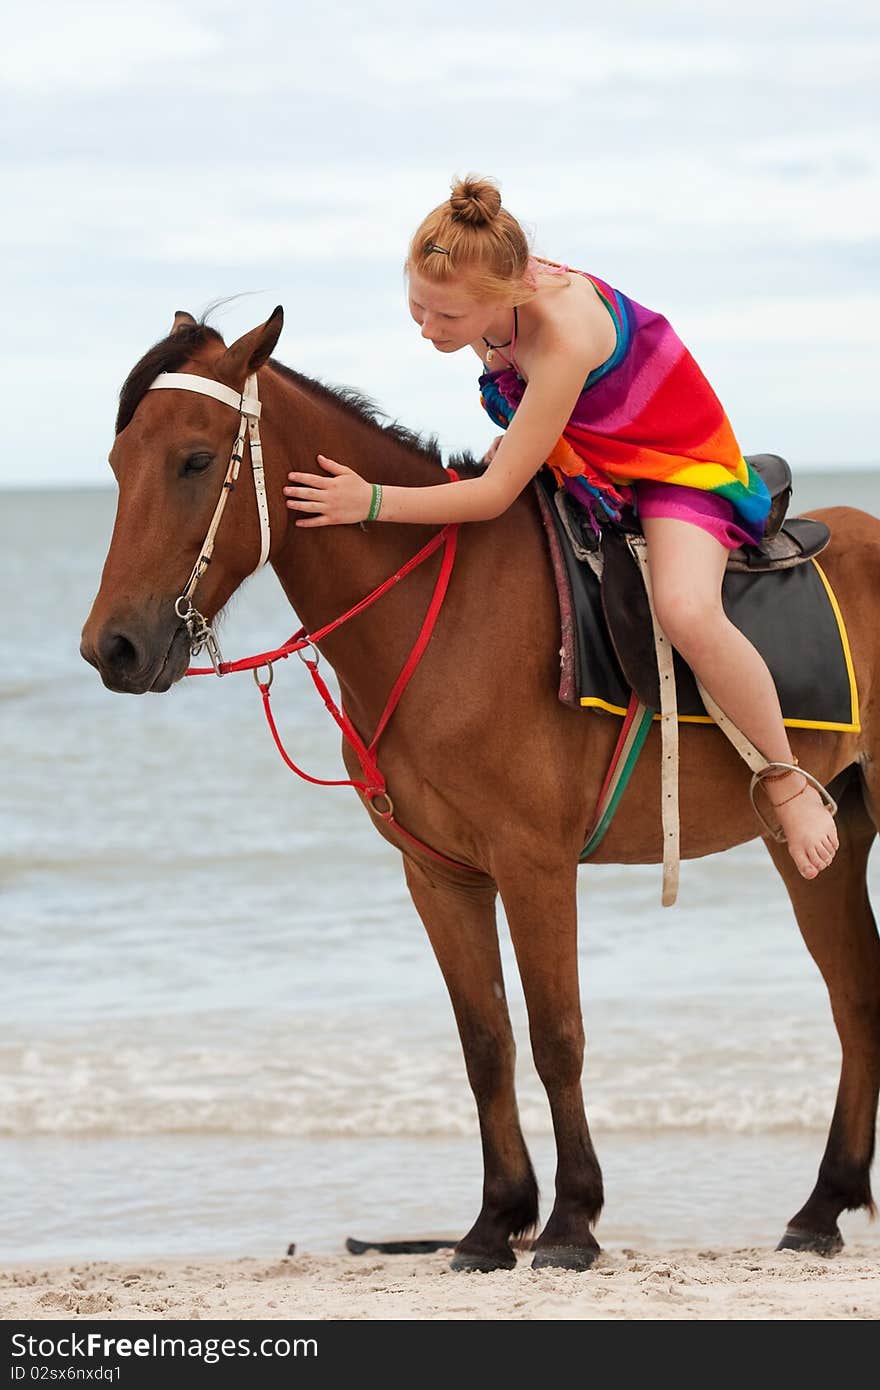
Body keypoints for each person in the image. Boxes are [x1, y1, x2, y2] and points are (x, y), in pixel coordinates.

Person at [283, 175, 838, 879]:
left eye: (446, 318)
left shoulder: (564, 332)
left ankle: (788, 781)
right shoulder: (486, 293)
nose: (428, 330)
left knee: (686, 608)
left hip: (672, 463)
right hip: (591, 446)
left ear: (505, 296)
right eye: (417, 306)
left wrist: (371, 503)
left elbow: (490, 496)